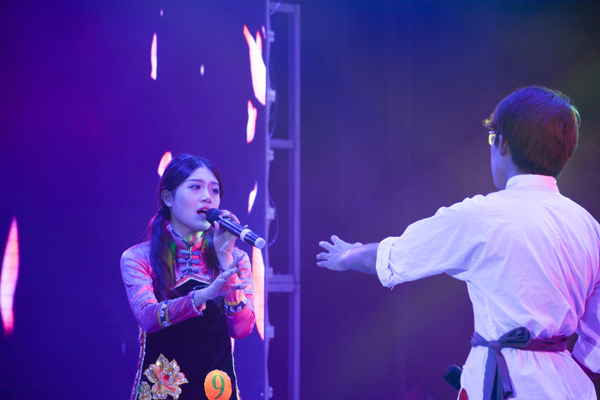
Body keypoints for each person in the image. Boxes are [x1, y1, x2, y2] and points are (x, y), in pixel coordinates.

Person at [316, 86, 600, 400]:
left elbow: (394, 258)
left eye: (492, 139)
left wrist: (347, 255)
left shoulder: (481, 215)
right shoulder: (589, 227)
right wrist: (560, 373)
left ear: (503, 144)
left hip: (507, 386)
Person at [121, 154, 255, 400]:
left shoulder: (236, 258)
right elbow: (148, 317)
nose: (207, 197)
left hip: (216, 391)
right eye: (196, 187)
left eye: (214, 190)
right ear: (168, 198)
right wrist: (205, 294)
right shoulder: (138, 257)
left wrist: (225, 257)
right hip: (164, 392)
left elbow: (242, 329)